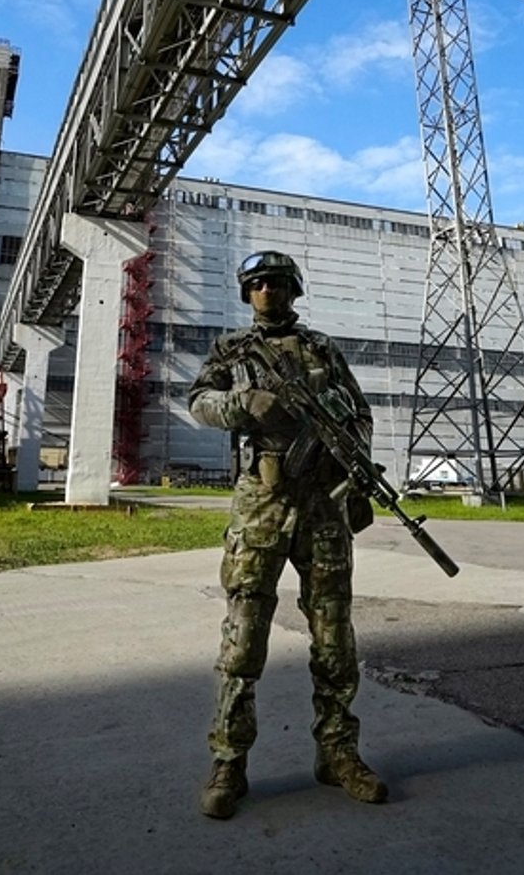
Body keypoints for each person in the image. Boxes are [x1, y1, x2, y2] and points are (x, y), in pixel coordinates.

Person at [187, 249, 387, 820]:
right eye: (256, 284)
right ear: (246, 293)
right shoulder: (232, 350)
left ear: (294, 290)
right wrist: (241, 403)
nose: (267, 292)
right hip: (261, 505)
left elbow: (358, 416)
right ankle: (229, 761)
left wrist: (358, 471)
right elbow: (198, 402)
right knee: (244, 637)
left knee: (334, 638)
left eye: (276, 283)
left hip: (323, 505)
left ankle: (339, 753)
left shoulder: (323, 348)